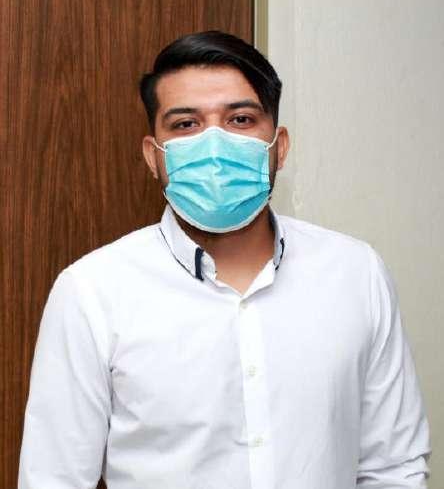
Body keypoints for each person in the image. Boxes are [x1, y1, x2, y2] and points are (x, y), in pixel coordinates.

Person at [18, 30, 431, 489]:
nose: (214, 145)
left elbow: (394, 467)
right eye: (186, 124)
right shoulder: (92, 291)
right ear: (153, 157)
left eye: (240, 119)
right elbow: (53, 478)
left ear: (279, 146)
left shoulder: (356, 273)